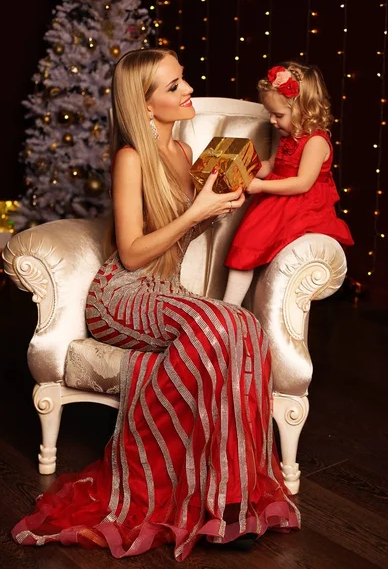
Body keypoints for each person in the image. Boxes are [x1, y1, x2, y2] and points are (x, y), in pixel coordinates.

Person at [12, 49, 300, 561]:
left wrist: (217, 207)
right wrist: (197, 213)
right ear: (145, 107)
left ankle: (228, 499)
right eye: (173, 87)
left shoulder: (184, 157)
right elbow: (132, 251)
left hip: (163, 294)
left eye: (183, 79)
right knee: (219, 326)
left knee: (244, 328)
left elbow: (181, 232)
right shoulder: (132, 157)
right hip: (120, 295)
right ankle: (184, 496)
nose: (187, 90)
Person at [223, 62, 354, 306]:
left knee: (252, 241)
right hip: (276, 199)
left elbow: (303, 183)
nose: (272, 121)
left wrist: (260, 187)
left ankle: (229, 308)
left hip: (300, 204)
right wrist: (243, 167)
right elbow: (271, 166)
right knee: (246, 242)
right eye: (270, 114)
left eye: (278, 115)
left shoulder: (316, 141)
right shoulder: (288, 136)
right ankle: (229, 307)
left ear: (305, 109)